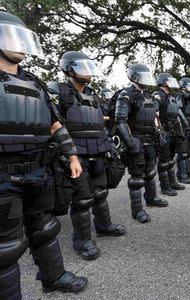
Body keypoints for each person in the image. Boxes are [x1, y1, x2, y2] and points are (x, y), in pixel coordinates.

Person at [0, 10, 88, 298]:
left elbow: (55, 125)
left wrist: (72, 156)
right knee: (6, 246)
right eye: (14, 37)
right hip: (3, 176)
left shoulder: (36, 83)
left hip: (39, 171)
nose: (21, 45)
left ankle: (54, 277)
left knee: (46, 228)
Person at [57, 51, 127, 260]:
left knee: (100, 193)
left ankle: (104, 226)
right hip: (76, 153)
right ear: (70, 69)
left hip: (98, 149)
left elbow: (102, 118)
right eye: (83, 68)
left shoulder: (93, 94)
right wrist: (67, 156)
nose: (88, 73)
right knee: (82, 200)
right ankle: (82, 241)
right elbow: (54, 124)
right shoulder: (59, 92)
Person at [113, 64, 168, 224]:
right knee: (136, 179)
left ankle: (151, 198)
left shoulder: (148, 95)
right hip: (136, 139)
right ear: (135, 76)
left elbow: (154, 116)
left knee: (150, 172)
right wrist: (130, 143)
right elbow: (120, 121)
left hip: (150, 139)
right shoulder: (126, 94)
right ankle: (137, 211)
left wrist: (159, 133)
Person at [154, 73, 186, 195]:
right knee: (163, 162)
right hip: (164, 131)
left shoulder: (171, 96)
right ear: (164, 82)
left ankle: (173, 182)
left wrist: (181, 130)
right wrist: (159, 131)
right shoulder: (158, 95)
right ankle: (165, 187)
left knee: (171, 160)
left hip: (173, 131)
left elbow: (176, 115)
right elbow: (154, 113)